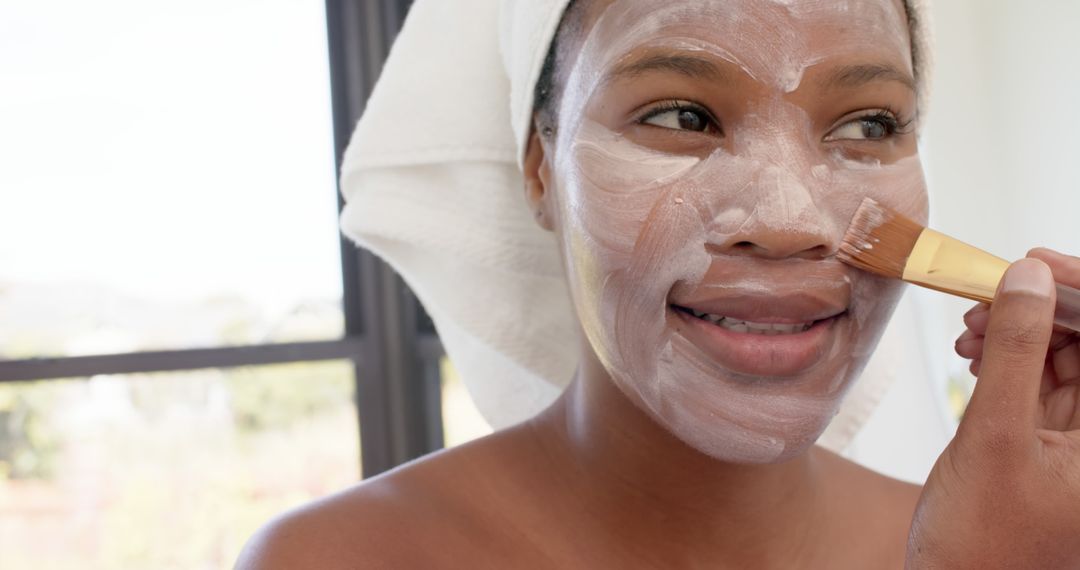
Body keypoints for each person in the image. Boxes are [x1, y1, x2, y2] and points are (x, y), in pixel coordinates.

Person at [237, 1, 1080, 567]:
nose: (788, 218)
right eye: (682, 116)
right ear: (539, 171)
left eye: (868, 125)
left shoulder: (1003, 542)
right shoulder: (339, 559)